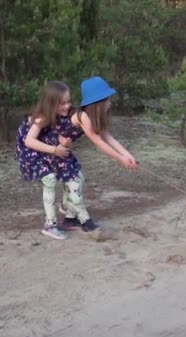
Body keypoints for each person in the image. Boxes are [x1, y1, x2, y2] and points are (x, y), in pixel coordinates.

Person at [43, 76, 138, 232]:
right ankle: (85, 220)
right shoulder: (83, 117)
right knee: (74, 181)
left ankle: (69, 217)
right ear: (98, 103)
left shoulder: (93, 117)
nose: (110, 103)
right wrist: (120, 159)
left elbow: (108, 137)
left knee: (78, 179)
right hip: (53, 152)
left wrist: (128, 155)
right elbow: (99, 142)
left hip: (63, 153)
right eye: (107, 100)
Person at [16, 80, 73, 240]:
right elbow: (29, 141)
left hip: (44, 145)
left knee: (69, 170)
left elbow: (57, 132)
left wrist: (64, 141)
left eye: (69, 102)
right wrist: (55, 150)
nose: (67, 106)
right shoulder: (42, 118)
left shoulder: (60, 115)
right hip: (30, 151)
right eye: (62, 103)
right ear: (51, 104)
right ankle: (50, 224)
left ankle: (65, 207)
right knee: (49, 178)